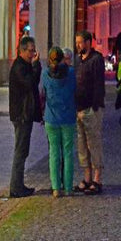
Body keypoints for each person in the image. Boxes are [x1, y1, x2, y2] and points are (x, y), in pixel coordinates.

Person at [9, 35, 42, 198]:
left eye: (34, 50)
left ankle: (18, 184)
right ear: (22, 51)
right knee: (20, 151)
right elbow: (30, 84)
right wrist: (36, 67)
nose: (33, 54)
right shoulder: (19, 67)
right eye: (30, 51)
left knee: (23, 150)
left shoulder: (24, 65)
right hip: (21, 115)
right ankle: (16, 187)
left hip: (24, 114)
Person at [41, 46, 76, 198]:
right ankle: (68, 187)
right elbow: (75, 90)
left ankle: (56, 187)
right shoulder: (71, 73)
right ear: (63, 58)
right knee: (68, 152)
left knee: (54, 153)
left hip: (51, 117)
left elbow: (43, 93)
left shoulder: (45, 74)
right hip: (68, 117)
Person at [74, 30, 105, 195]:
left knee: (94, 143)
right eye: (77, 42)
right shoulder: (79, 60)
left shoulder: (96, 59)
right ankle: (87, 177)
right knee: (82, 145)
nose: (78, 45)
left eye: (80, 42)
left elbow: (98, 84)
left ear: (88, 42)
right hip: (78, 108)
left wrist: (95, 106)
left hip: (91, 108)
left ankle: (97, 179)